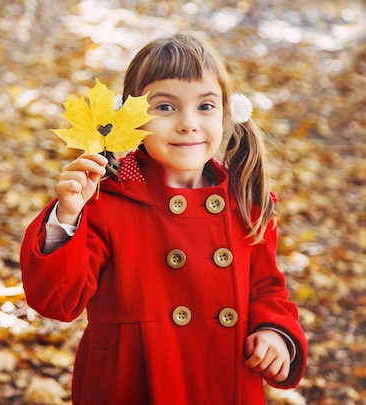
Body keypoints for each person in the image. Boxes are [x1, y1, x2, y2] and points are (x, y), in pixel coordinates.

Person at [20, 32, 307, 404]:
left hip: (225, 383)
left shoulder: (246, 203)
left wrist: (274, 332)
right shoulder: (107, 201)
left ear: (228, 111)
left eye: (205, 106)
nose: (188, 123)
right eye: (166, 107)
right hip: (131, 387)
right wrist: (69, 215)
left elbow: (266, 290)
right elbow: (56, 301)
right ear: (131, 118)